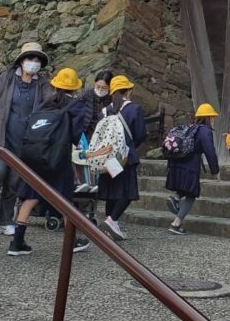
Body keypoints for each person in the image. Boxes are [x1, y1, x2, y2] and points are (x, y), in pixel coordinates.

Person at [9, 68, 92, 256]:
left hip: (34, 157)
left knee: (30, 197)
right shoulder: (76, 106)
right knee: (64, 200)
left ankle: (17, 242)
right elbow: (76, 135)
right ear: (75, 87)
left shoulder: (45, 104)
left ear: (55, 85)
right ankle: (72, 241)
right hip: (57, 159)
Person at [0, 41, 50, 236]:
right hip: (0, 139)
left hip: (24, 141)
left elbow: (49, 106)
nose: (33, 63)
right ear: (22, 61)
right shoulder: (7, 78)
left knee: (14, 181)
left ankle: (5, 221)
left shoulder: (41, 84)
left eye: (37, 60)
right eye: (30, 59)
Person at [94, 75, 146, 241]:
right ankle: (111, 220)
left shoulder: (105, 110)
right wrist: (130, 146)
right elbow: (140, 134)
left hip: (107, 157)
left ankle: (110, 226)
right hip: (124, 158)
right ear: (128, 91)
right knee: (127, 191)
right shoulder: (134, 109)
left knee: (112, 191)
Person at [166, 103, 220, 235]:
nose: (213, 120)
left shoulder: (190, 128)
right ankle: (176, 224)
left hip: (177, 164)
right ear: (208, 118)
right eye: (212, 117)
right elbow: (210, 151)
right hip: (190, 167)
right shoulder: (205, 131)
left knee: (184, 188)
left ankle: (176, 197)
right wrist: (215, 171)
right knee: (191, 194)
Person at [81, 69, 113, 143]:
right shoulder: (87, 94)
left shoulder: (113, 99)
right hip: (84, 132)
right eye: (98, 86)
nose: (100, 89)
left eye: (104, 87)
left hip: (103, 135)